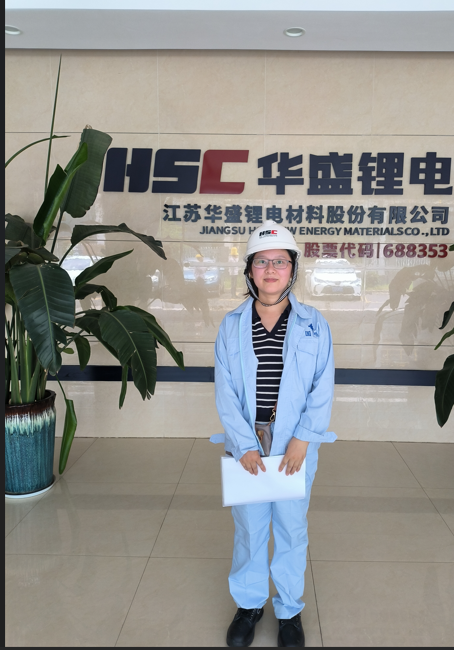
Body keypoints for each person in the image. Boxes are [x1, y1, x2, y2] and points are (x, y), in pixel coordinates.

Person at [214, 221, 336, 647]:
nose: (270, 270)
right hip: (247, 445)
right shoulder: (231, 324)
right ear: (249, 269)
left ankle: (288, 610)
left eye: (280, 262)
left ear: (292, 269)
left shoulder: (314, 324)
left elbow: (323, 386)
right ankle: (249, 605)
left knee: (290, 528)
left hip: (294, 447)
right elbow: (225, 391)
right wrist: (243, 444)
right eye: (262, 262)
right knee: (250, 529)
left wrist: (303, 438)